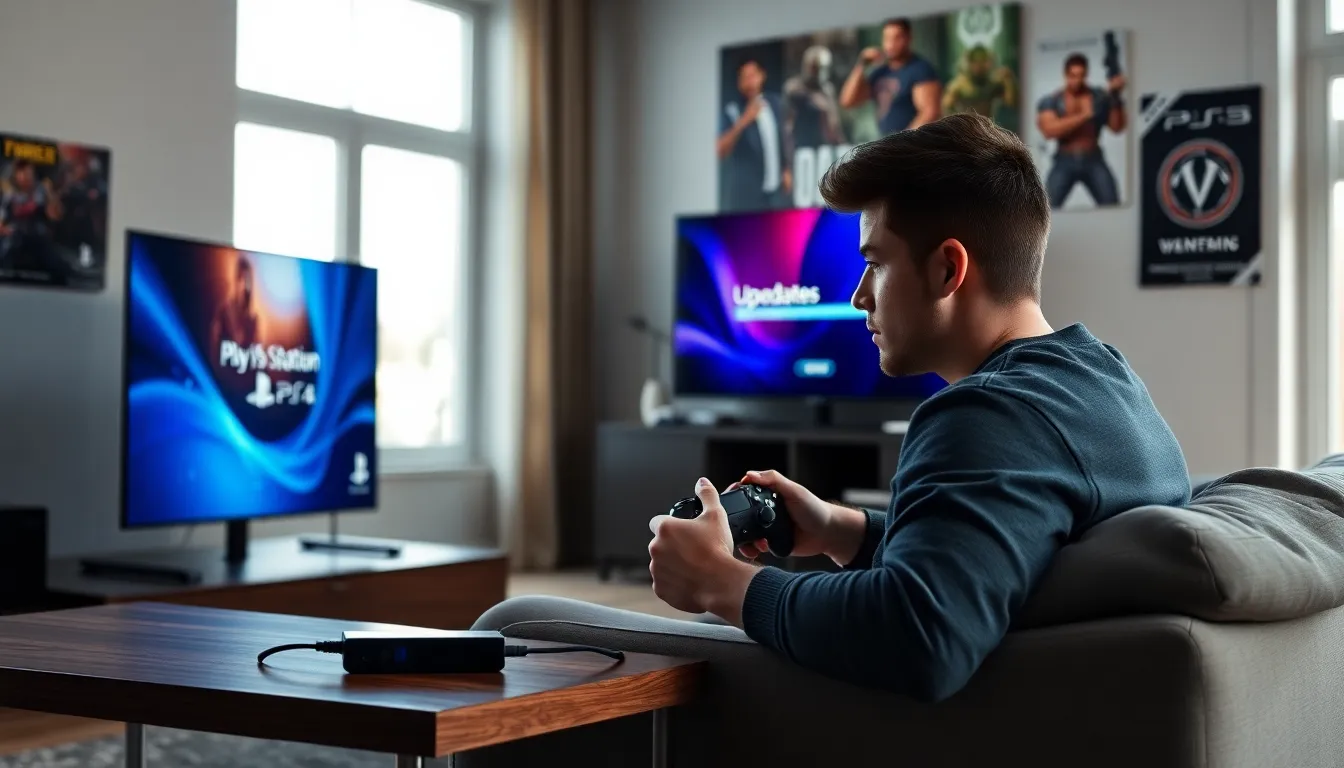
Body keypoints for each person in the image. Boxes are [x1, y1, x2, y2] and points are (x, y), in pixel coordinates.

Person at [647, 113, 1190, 703]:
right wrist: (845, 530)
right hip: (1096, 707)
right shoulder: (1104, 378)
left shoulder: (983, 416)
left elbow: (918, 634)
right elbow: (1006, 556)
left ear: (947, 269)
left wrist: (721, 584)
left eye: (876, 262)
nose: (858, 295)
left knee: (539, 615)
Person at [1036, 52, 1127, 208]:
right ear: (1065, 74)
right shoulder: (1053, 100)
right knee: (1044, 212)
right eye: (1072, 75)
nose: (1076, 80)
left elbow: (1117, 127)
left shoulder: (1098, 95)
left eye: (1081, 75)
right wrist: (1085, 115)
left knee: (1112, 206)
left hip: (1093, 159)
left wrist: (1115, 98)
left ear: (1086, 74)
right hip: (1064, 160)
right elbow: (1049, 130)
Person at [839, 17, 940, 135]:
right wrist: (861, 64)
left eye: (897, 37)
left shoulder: (920, 69)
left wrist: (904, 142)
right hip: (887, 144)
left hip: (912, 145)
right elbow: (848, 101)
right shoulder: (880, 72)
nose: (891, 44)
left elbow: (929, 112)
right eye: (887, 38)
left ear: (908, 38)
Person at [718, 58, 791, 212]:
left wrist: (787, 167)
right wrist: (744, 120)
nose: (749, 82)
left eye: (752, 76)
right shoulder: (733, 110)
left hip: (775, 195)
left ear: (762, 76)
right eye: (744, 77)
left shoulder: (775, 103)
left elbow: (784, 138)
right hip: (747, 199)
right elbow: (720, 150)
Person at [784, 45, 845, 152]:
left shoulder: (827, 90)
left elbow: (834, 123)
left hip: (823, 147)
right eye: (813, 68)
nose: (815, 73)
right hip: (801, 146)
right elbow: (788, 125)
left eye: (818, 68)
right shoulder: (793, 88)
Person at [942, 44, 1017, 121]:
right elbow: (946, 107)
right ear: (969, 63)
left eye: (982, 62)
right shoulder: (959, 85)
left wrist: (1008, 81)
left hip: (987, 126)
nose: (978, 66)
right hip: (966, 127)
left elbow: (1011, 103)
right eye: (975, 62)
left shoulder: (993, 83)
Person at [211, 254, 260, 356]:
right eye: (241, 279)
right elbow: (214, 347)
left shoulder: (253, 319)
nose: (244, 286)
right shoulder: (223, 310)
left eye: (247, 281)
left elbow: (257, 354)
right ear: (235, 279)